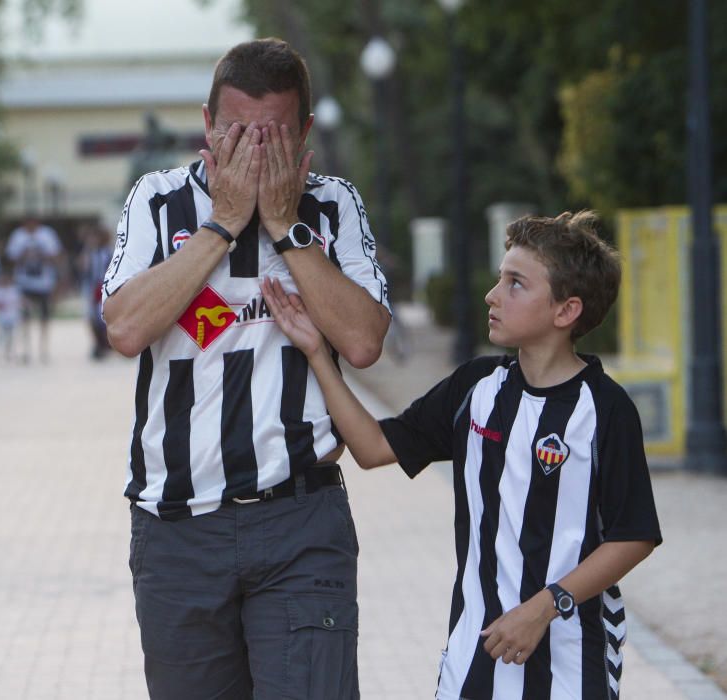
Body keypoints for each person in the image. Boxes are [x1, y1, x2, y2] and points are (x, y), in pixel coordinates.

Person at [262, 211, 662, 700]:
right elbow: (371, 448)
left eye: (515, 284)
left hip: (573, 654)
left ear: (566, 311)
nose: (493, 295)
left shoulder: (606, 410)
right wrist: (317, 355)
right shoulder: (476, 388)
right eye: (499, 278)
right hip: (474, 653)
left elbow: (635, 535)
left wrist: (543, 607)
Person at [102, 38, 390, 699]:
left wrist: (286, 225)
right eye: (236, 133)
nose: (255, 152)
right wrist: (224, 224)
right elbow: (124, 328)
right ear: (206, 125)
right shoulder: (158, 200)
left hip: (299, 518)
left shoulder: (332, 204)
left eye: (276, 137)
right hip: (177, 526)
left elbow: (364, 342)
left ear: (306, 133)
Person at [5, 215, 63, 362]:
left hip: (44, 283)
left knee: (44, 318)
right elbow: (10, 258)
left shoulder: (47, 235)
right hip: (24, 283)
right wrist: (23, 255)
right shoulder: (18, 236)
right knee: (25, 318)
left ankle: (43, 349)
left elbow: (56, 256)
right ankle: (26, 349)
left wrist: (43, 255)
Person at [77, 224, 113, 359]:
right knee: (91, 318)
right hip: (91, 289)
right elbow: (82, 266)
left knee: (103, 317)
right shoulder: (90, 253)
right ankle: (98, 343)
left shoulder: (108, 252)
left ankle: (106, 344)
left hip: (103, 288)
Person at [0, 261, 22, 364]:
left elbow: (19, 301)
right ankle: (1, 353)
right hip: (1, 317)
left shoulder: (14, 289)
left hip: (13, 316)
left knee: (12, 336)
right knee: (2, 336)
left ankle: (10, 353)